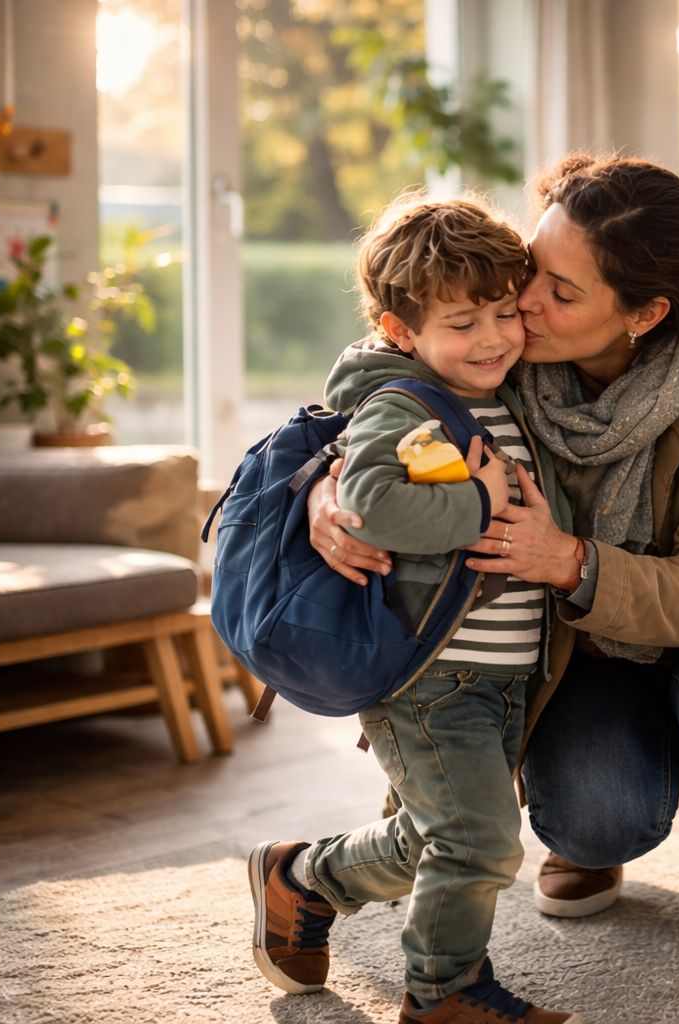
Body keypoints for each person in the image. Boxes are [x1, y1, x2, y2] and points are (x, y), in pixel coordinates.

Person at [310, 154, 679, 962]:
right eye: (535, 268)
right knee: (595, 818)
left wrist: (567, 560)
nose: (520, 301)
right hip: (585, 638)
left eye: (561, 293)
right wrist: (329, 495)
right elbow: (382, 377)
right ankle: (593, 830)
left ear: (642, 314)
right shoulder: (500, 343)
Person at [247, 193, 580, 1024]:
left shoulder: (503, 393)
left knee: (440, 836)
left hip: (502, 674)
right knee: (477, 841)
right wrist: (483, 504)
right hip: (431, 677)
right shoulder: (404, 404)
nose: (494, 337)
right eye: (462, 323)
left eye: (504, 313)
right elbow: (371, 504)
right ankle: (444, 995)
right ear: (401, 330)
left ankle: (301, 879)